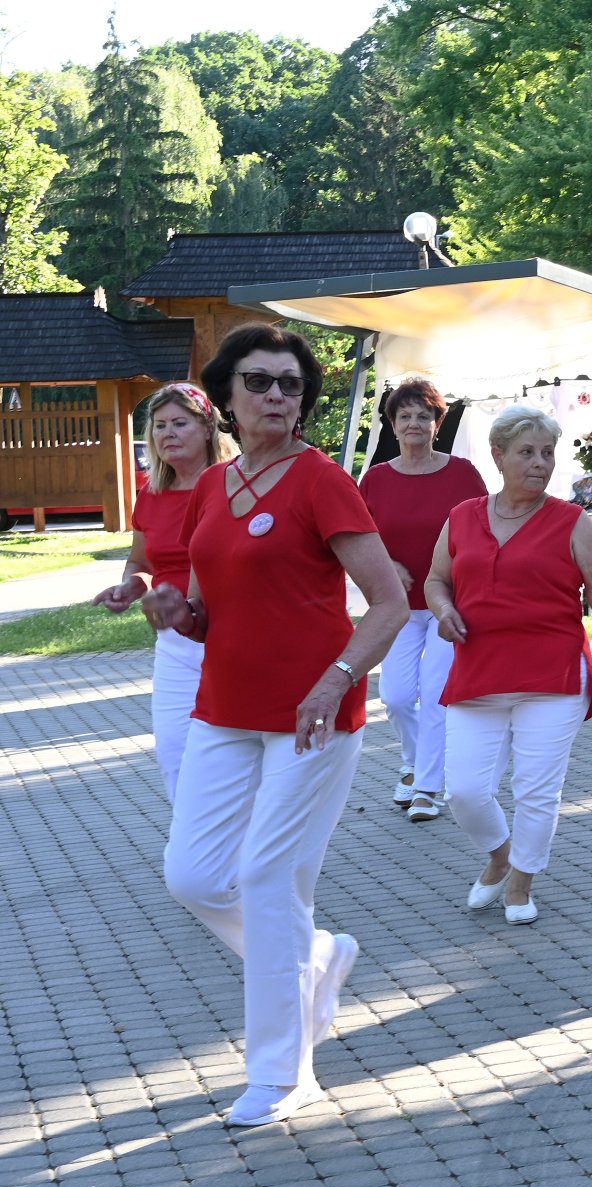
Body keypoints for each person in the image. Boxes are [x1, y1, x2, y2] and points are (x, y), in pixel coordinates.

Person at [141, 324, 408, 1126]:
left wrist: (334, 682)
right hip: (224, 708)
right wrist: (175, 612)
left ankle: (284, 1075)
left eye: (290, 386)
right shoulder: (211, 490)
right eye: (258, 382)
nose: (275, 397)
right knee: (191, 875)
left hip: (314, 717)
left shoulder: (321, 480)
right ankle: (316, 957)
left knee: (266, 878)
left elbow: (389, 603)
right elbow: (212, 612)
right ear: (227, 397)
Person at [424, 405, 592, 926]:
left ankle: (521, 881)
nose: (540, 463)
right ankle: (499, 854)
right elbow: (435, 581)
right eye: (527, 452)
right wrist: (443, 611)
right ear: (498, 456)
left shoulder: (573, 522)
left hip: (552, 674)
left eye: (548, 454)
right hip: (478, 672)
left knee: (536, 789)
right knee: (464, 790)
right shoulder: (462, 516)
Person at [93, 383, 234, 800]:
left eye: (179, 423)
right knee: (174, 754)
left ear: (207, 427)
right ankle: (197, 855)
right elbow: (143, 563)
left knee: (233, 756)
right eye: (159, 426)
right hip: (176, 644)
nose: (167, 433)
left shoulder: (236, 485)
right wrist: (130, 586)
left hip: (233, 638)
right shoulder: (151, 495)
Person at [358, 379, 487, 822]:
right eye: (405, 416)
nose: (415, 423)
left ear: (438, 424)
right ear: (392, 425)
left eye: (424, 416)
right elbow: (357, 539)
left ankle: (428, 789)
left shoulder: (463, 473)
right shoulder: (375, 479)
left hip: (448, 603)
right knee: (395, 696)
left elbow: (483, 530)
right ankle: (415, 765)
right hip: (396, 606)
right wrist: (385, 564)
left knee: (434, 693)